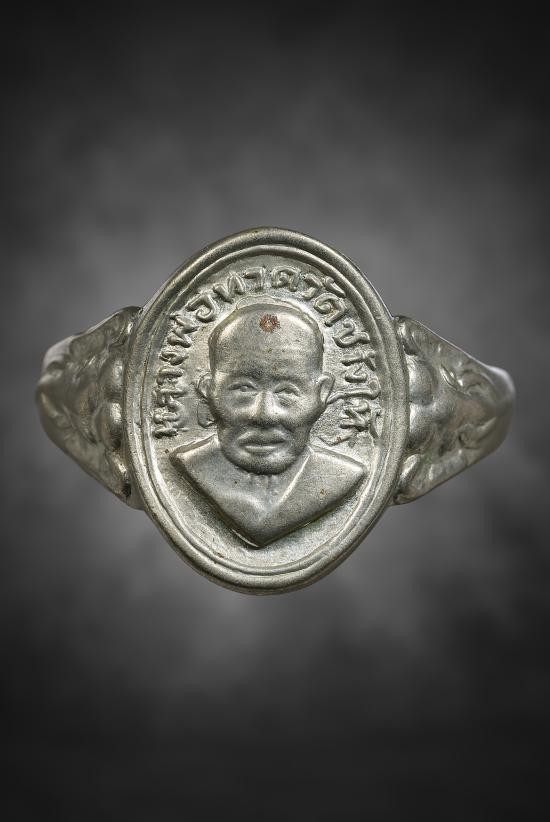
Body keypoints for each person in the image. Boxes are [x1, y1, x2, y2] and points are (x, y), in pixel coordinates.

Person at [170, 300, 364, 546]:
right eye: (244, 388)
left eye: (287, 391)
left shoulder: (342, 477)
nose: (264, 415)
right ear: (209, 390)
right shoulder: (190, 466)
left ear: (321, 394)